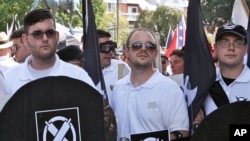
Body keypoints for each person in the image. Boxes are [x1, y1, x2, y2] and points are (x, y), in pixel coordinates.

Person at [110, 28, 189, 140]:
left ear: (155, 53)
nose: (143, 49)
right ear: (127, 52)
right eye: (137, 45)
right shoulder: (118, 88)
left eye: (149, 46)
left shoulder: (169, 89)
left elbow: (181, 131)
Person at [3, 9, 95, 95]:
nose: (45, 39)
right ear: (25, 40)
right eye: (37, 34)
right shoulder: (8, 79)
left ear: (57, 36)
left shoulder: (77, 76)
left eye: (50, 32)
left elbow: (95, 108)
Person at [203, 23, 250, 115]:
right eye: (225, 42)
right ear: (215, 48)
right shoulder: (204, 82)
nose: (231, 48)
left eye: (237, 43)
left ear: (245, 49)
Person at [96, 29, 130, 99]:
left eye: (111, 47)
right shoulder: (80, 73)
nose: (110, 52)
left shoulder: (121, 68)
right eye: (105, 48)